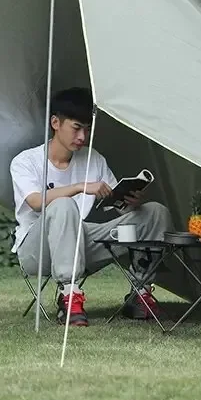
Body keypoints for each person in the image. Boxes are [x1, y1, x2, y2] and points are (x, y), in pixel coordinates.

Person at [10, 86, 174, 327]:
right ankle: (69, 296)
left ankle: (140, 294)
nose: (82, 137)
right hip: (37, 249)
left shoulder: (93, 158)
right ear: (56, 123)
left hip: (81, 243)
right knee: (64, 205)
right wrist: (79, 186)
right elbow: (35, 201)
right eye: (76, 128)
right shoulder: (26, 161)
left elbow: (116, 207)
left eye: (87, 130)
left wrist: (129, 202)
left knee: (155, 213)